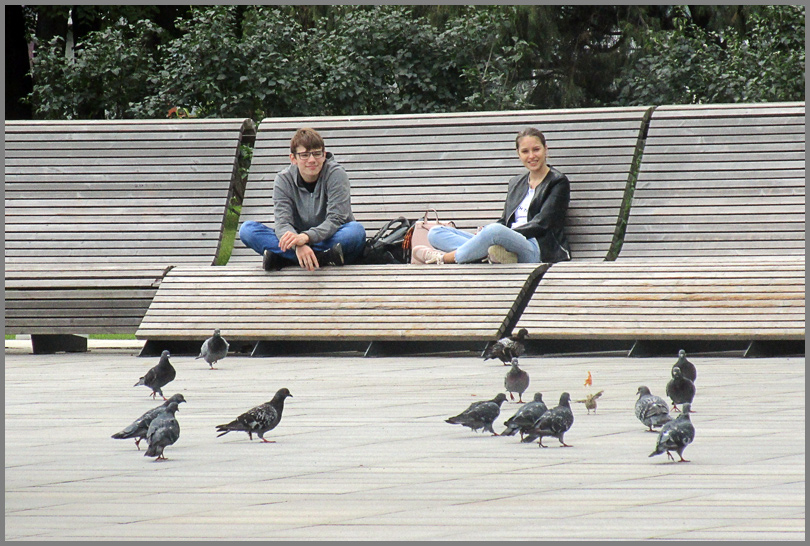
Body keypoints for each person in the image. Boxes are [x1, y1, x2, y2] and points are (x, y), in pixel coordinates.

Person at [412, 127, 571, 265]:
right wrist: (486, 234)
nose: (531, 156)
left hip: (536, 247)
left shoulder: (558, 182)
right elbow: (505, 220)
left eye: (536, 149)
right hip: (504, 243)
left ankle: (446, 258)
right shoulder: (516, 183)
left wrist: (497, 235)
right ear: (518, 154)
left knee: (494, 231)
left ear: (545, 149)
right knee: (436, 232)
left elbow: (542, 224)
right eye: (525, 151)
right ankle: (489, 254)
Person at [239, 128, 366, 271]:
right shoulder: (283, 179)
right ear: (293, 158)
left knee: (356, 231)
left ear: (324, 155)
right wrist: (298, 245)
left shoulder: (336, 174)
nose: (312, 160)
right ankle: (323, 258)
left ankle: (286, 259)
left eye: (317, 154)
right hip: (300, 240)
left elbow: (336, 219)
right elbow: (283, 223)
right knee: (248, 230)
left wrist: (306, 238)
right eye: (304, 155)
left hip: (329, 238)